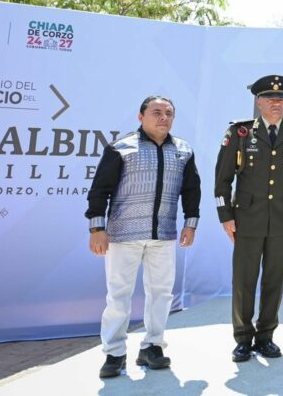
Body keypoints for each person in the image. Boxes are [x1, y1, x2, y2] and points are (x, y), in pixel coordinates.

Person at [85, 96, 200, 379]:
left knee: (161, 293)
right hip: (123, 234)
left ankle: (153, 346)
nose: (163, 118)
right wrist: (97, 228)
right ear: (141, 117)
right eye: (156, 112)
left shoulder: (183, 150)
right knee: (118, 295)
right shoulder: (121, 148)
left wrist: (191, 224)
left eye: (169, 113)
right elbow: (100, 190)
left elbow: (191, 189)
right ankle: (114, 353)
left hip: (164, 234)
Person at [215, 75, 283, 362]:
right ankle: (243, 338)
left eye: (281, 99)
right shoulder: (239, 133)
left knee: (274, 280)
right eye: (270, 98)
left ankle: (266, 336)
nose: (276, 103)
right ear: (258, 102)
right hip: (246, 218)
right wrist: (226, 215)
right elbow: (223, 178)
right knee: (244, 280)